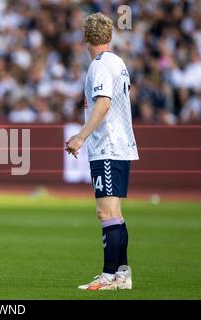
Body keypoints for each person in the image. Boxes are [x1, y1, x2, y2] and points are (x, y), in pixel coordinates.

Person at [65, 12, 139, 290]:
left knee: (105, 213)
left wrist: (81, 136)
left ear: (85, 37)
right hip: (120, 144)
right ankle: (122, 274)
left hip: (107, 145)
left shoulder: (98, 66)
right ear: (110, 36)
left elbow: (103, 104)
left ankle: (109, 276)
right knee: (115, 213)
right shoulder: (118, 62)